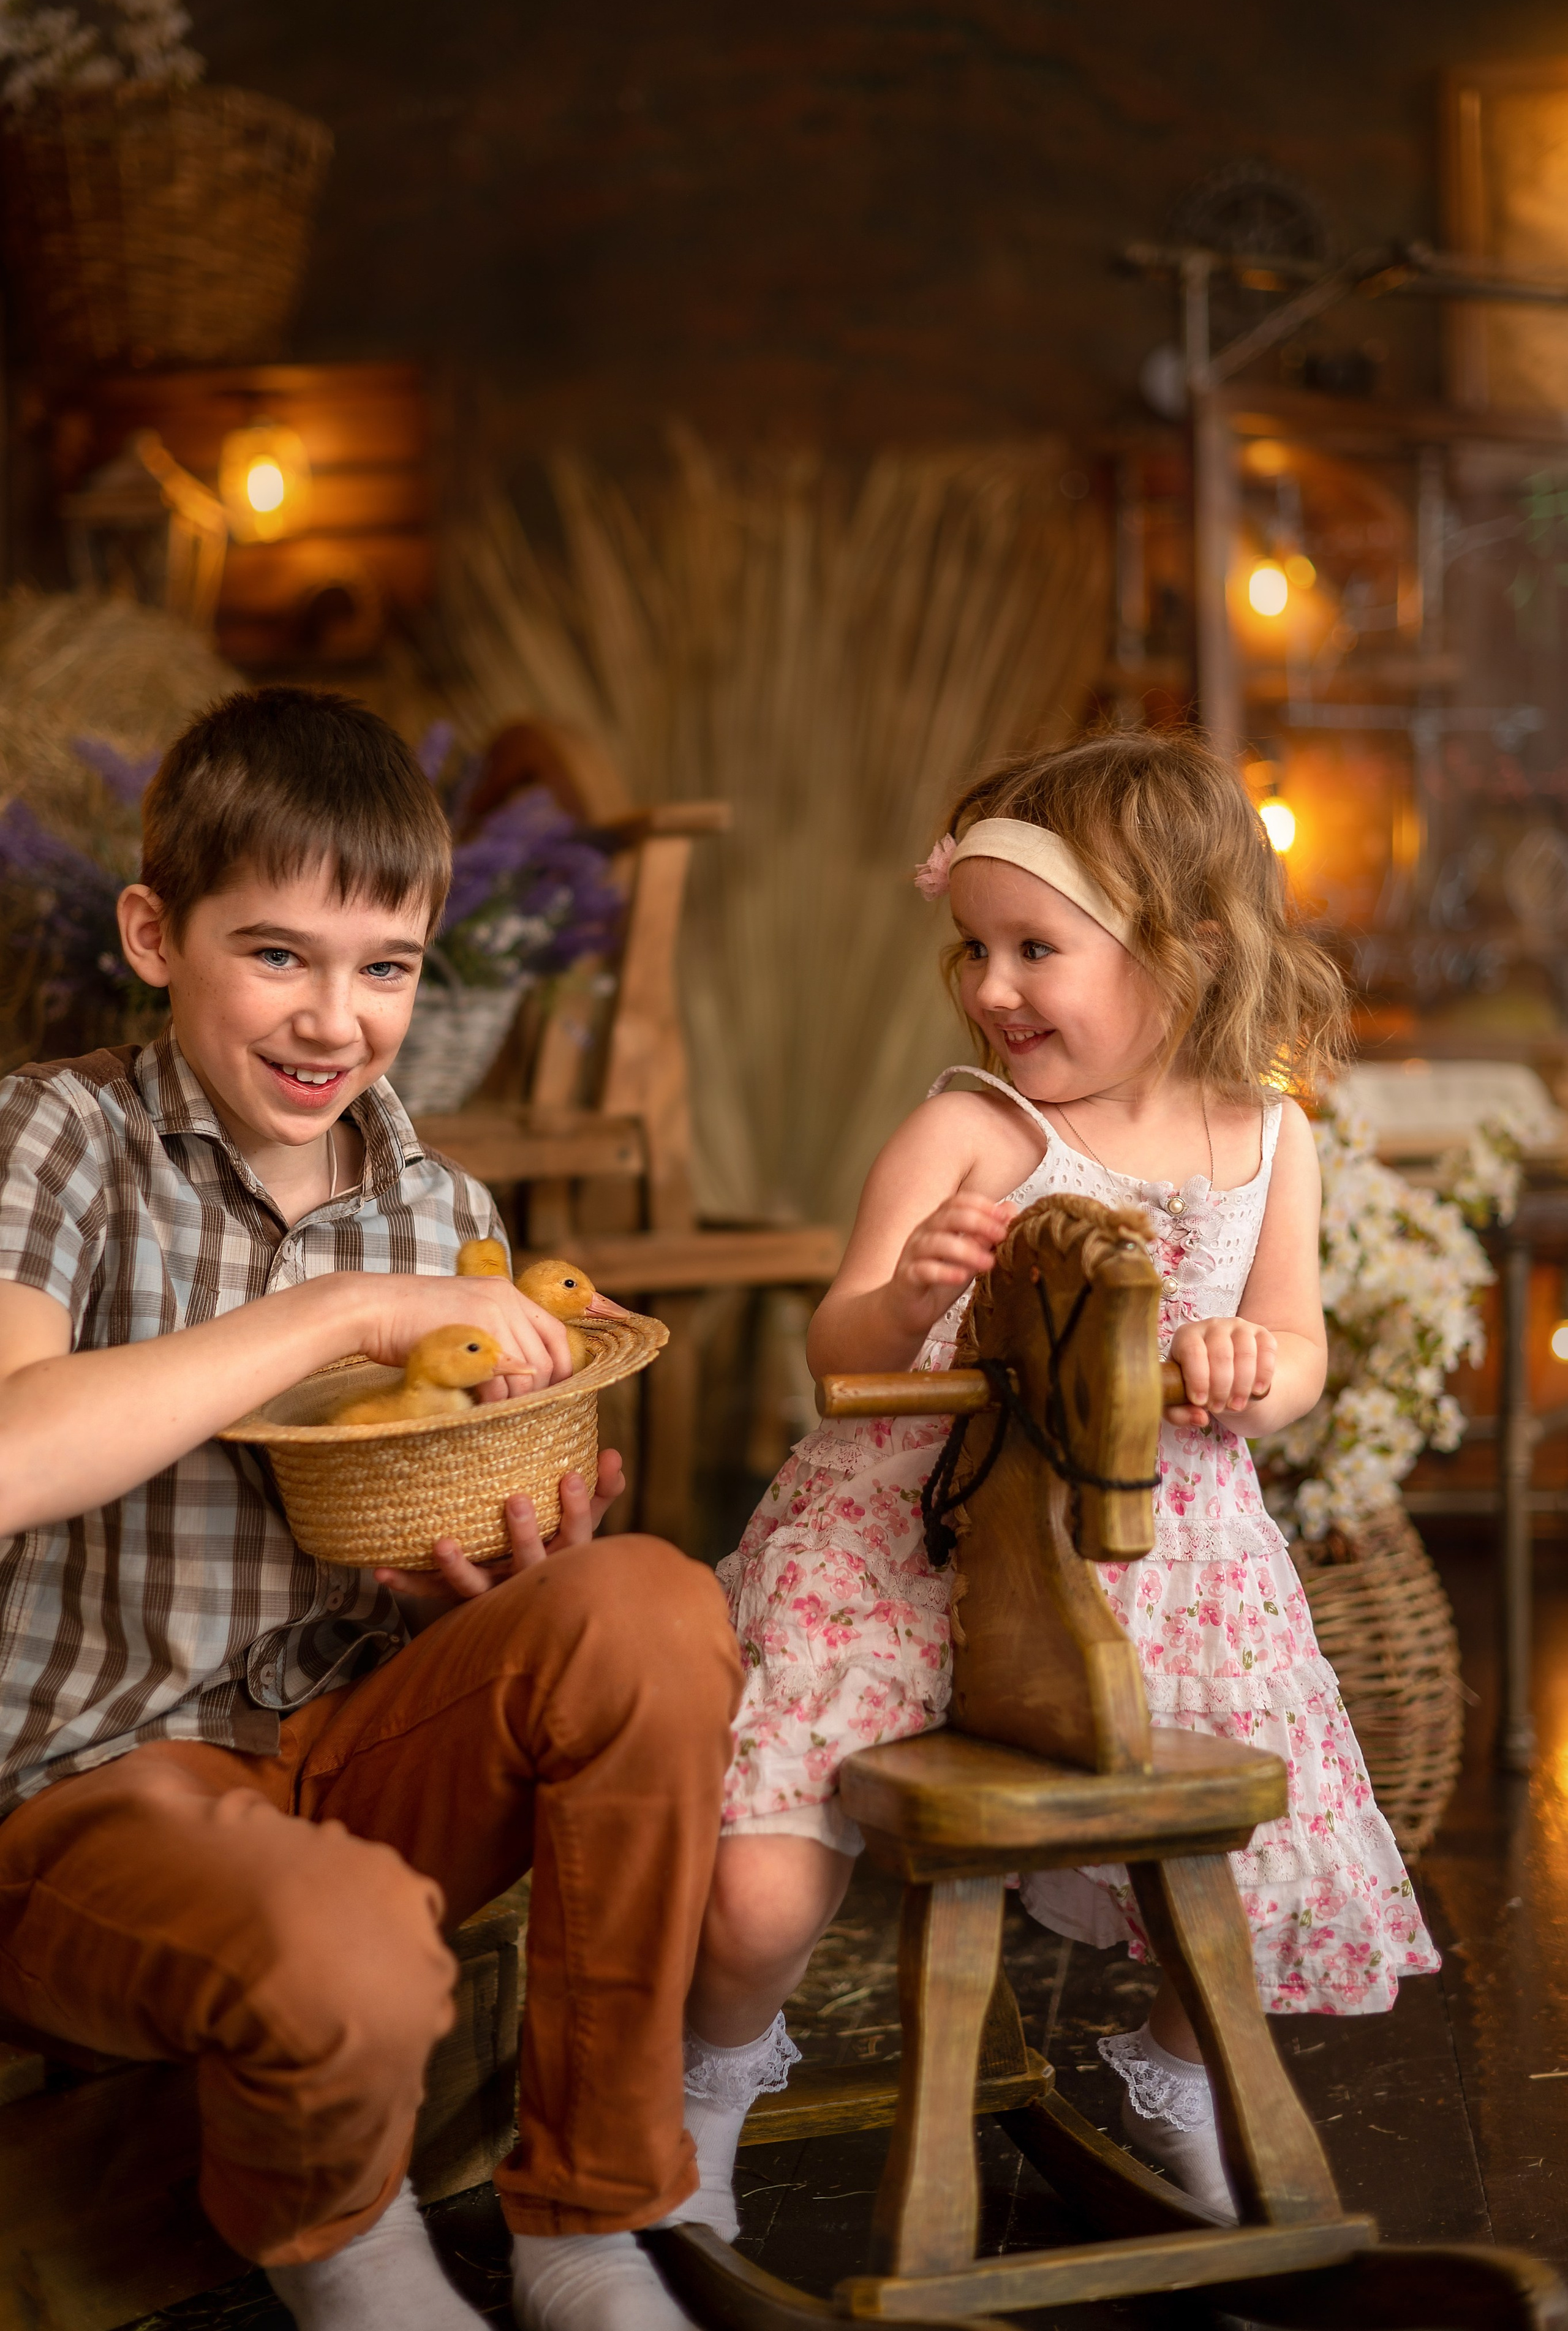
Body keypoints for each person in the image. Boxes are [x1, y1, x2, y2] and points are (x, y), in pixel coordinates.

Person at [0, 687, 741, 2331]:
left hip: (349, 1752)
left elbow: (433, 1526)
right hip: (90, 1796)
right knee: (347, 1946)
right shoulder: (62, 1137)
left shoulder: (439, 1208)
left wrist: (485, 1583)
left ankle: (587, 2222)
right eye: (277, 954)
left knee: (647, 1605)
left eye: (386, 967)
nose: (334, 1020)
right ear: (152, 933)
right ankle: (345, 2243)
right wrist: (340, 1312)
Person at [681, 731, 1439, 2229]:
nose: (989, 986)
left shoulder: (1267, 1135)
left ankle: (1179, 2077)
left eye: (1035, 948)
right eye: (973, 948)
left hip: (1161, 1559)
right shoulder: (969, 1129)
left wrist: (1249, 1365)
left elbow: (1298, 1349)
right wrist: (908, 1292)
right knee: (754, 1896)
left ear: (1190, 949)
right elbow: (838, 1348)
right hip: (906, 1541)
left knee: (1261, 1872)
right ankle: (701, 2090)